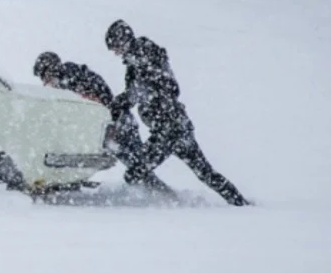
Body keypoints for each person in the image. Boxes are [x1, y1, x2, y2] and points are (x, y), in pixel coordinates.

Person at [104, 19, 250, 206]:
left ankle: (161, 203)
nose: (114, 52)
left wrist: (127, 99)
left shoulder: (144, 55)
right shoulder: (136, 63)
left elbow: (167, 88)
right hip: (176, 127)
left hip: (168, 129)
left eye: (115, 46)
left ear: (123, 41)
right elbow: (137, 94)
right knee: (205, 173)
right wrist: (120, 105)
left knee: (136, 171)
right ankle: (240, 204)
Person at [33, 52, 175, 197]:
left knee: (137, 164)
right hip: (119, 122)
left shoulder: (69, 81)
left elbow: (94, 102)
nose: (45, 83)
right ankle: (159, 191)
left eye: (44, 77)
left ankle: (162, 194)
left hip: (117, 125)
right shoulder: (74, 76)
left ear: (50, 70)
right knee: (138, 164)